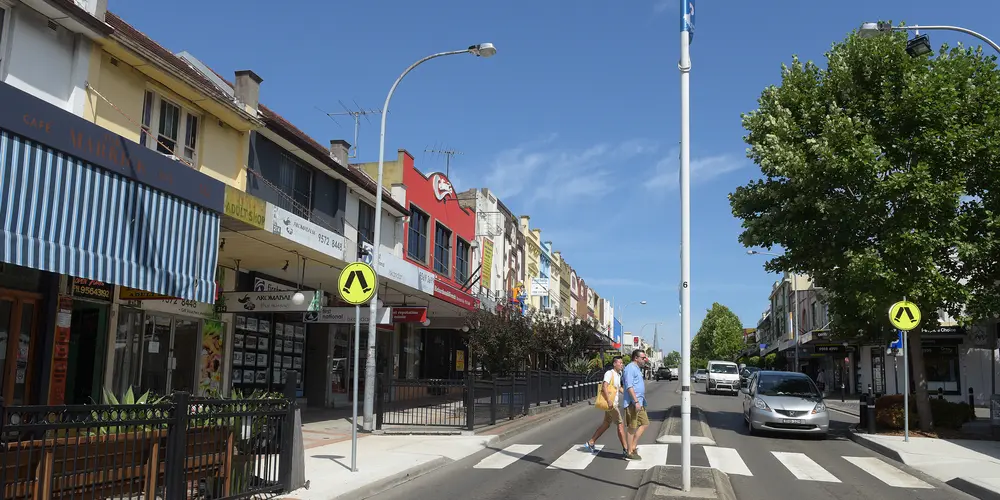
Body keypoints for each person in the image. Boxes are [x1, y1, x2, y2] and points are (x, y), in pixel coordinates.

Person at [585, 356, 627, 457]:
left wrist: (627, 395)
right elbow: (604, 386)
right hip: (612, 404)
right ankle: (626, 449)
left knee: (606, 424)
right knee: (620, 425)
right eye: (620, 363)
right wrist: (608, 400)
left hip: (613, 403)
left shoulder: (618, 374)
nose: (621, 365)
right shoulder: (609, 373)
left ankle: (591, 442)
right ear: (614, 364)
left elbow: (618, 388)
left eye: (622, 363)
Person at [623, 349, 649, 460]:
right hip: (633, 403)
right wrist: (636, 401)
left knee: (645, 423)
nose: (645, 360)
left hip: (640, 402)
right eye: (643, 358)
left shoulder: (637, 369)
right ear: (636, 358)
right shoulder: (630, 368)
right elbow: (629, 386)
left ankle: (633, 446)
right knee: (632, 427)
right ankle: (629, 452)